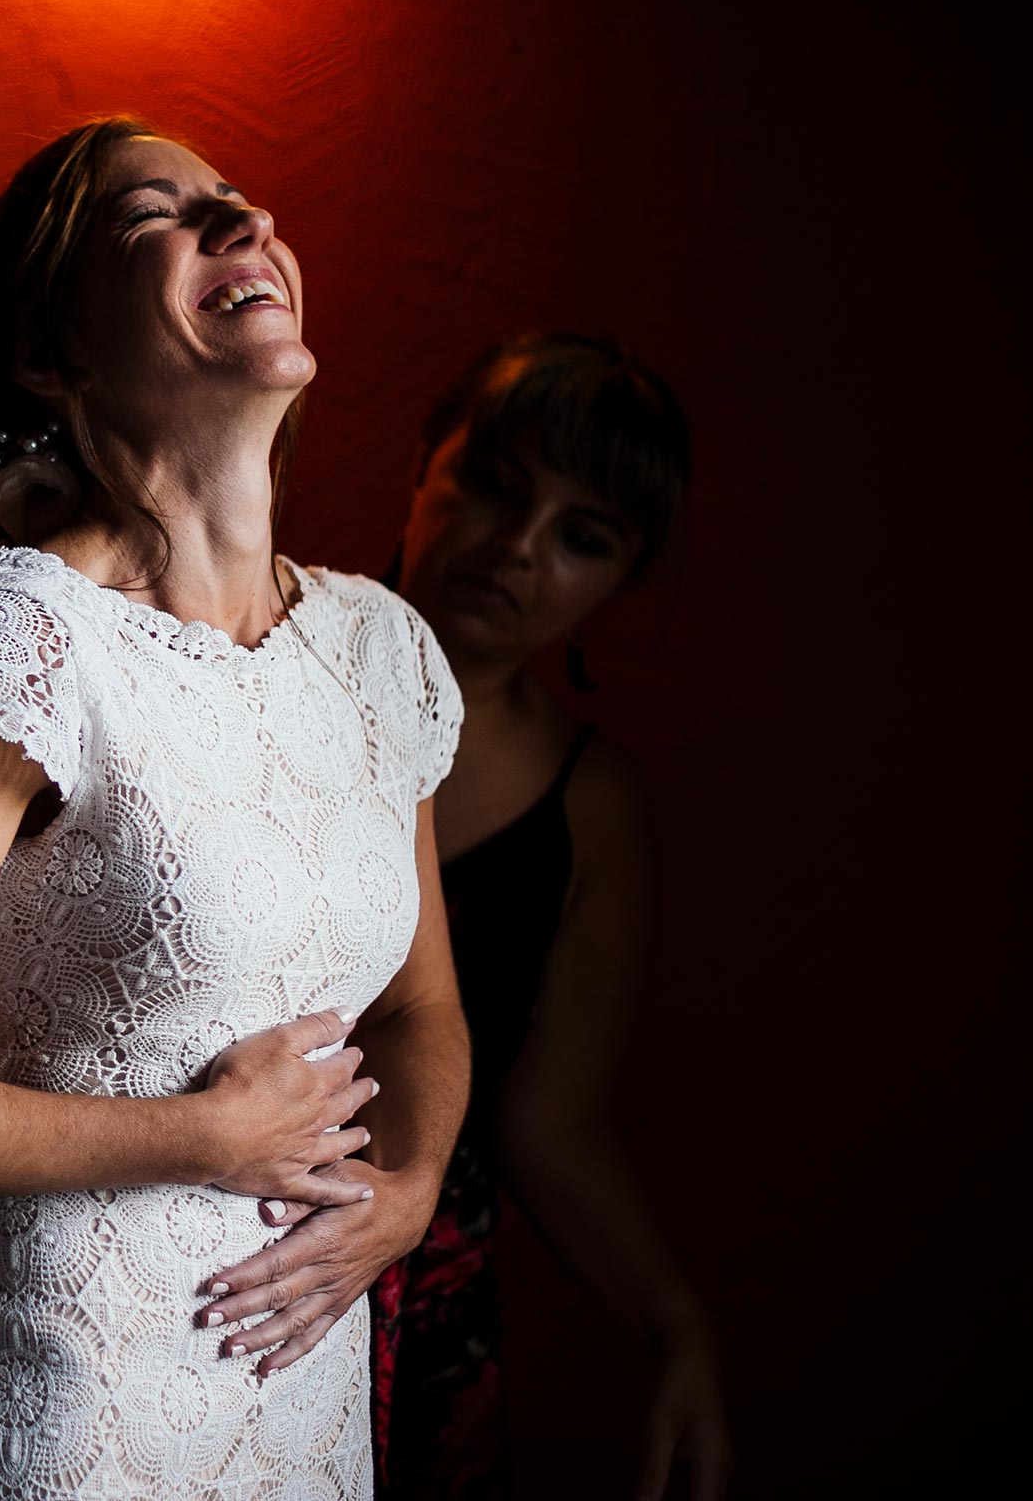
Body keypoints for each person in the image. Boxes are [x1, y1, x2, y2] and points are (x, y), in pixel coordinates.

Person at [0, 116, 472, 1499]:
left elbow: (420, 1005)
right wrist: (203, 1136)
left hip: (302, 1430)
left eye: (240, 200)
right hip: (57, 1422)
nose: (243, 222)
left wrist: (413, 1185)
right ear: (50, 354)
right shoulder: (33, 636)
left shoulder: (380, 650)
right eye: (156, 215)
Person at [372, 335, 725, 1499]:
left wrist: (673, 1321)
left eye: (583, 536)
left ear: (619, 579)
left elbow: (547, 1122)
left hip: (422, 1325)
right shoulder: (243, 664)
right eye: (494, 486)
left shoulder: (588, 804)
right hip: (172, 1251)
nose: (518, 546)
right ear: (424, 465)